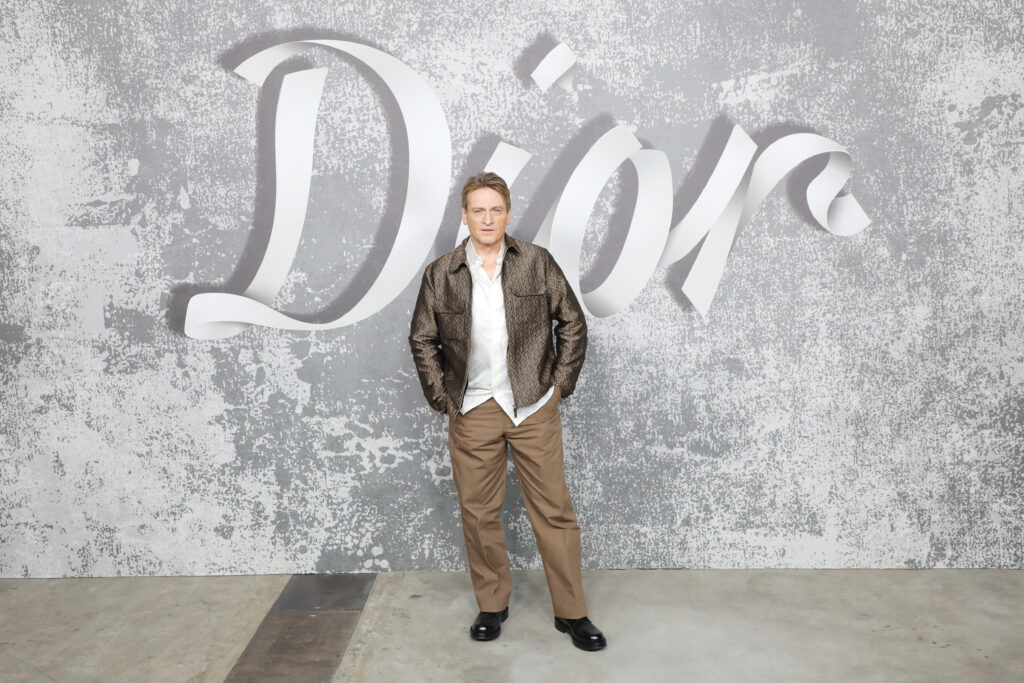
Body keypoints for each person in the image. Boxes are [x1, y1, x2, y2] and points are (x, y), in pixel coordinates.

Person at [408, 172, 606, 651]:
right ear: (465, 216)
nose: (487, 218)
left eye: (495, 210)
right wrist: (443, 399)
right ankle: (492, 604)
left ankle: (572, 612)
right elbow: (422, 338)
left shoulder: (537, 262)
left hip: (532, 405)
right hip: (473, 406)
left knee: (554, 511)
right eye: (478, 210)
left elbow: (572, 323)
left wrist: (558, 387)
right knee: (479, 513)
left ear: (508, 214)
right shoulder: (441, 273)